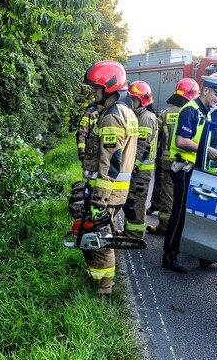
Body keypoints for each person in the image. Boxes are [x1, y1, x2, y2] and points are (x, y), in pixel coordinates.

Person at [80, 60, 139, 297]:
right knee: (94, 236)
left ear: (109, 86)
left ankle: (104, 291)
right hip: (116, 191)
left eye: (96, 87)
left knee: (100, 240)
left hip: (109, 193)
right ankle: (98, 281)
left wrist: (99, 199)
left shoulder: (112, 117)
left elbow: (110, 164)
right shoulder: (126, 112)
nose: (93, 92)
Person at [162, 72, 217, 273]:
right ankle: (169, 256)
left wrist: (214, 156)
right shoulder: (190, 110)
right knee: (180, 214)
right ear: (205, 90)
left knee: (196, 213)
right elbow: (181, 141)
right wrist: (206, 150)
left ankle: (201, 253)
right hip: (184, 170)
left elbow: (202, 143)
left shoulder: (204, 111)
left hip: (195, 170)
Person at [147, 78, 200, 236]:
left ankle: (165, 226)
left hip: (168, 163)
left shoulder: (165, 113)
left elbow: (157, 138)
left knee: (167, 195)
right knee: (185, 196)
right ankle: (183, 230)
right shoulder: (194, 114)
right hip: (189, 162)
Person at [121, 80, 158, 239]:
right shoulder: (141, 116)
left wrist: (132, 167)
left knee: (136, 203)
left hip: (141, 171)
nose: (131, 102)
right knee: (131, 201)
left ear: (142, 100)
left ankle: (135, 235)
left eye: (134, 99)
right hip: (139, 170)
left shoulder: (145, 118)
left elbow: (143, 147)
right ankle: (131, 231)